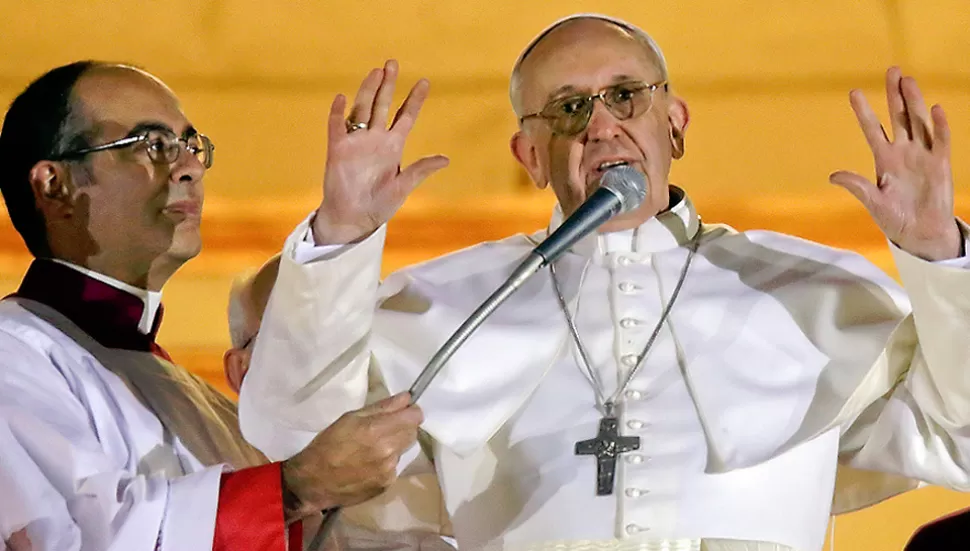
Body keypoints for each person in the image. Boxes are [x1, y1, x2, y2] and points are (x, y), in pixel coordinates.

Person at [239, 14, 970, 551]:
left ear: (676, 126)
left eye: (626, 96)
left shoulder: (809, 293)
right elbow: (294, 439)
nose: (601, 126)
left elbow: (962, 444)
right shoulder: (448, 307)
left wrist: (939, 252)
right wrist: (341, 238)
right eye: (568, 108)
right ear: (529, 154)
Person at [0, 61, 426, 551]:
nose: (190, 167)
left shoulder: (192, 398)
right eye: (153, 145)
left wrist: (343, 232)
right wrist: (293, 489)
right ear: (56, 186)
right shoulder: (15, 354)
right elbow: (76, 537)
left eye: (190, 146)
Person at [224, 257, 457, 550]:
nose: (351, 362)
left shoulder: (463, 463)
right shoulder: (220, 505)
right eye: (303, 335)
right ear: (242, 371)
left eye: (366, 325)